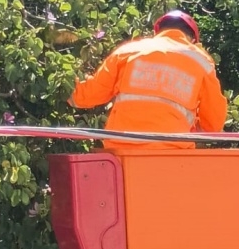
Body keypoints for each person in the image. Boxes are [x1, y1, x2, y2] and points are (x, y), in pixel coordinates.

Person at [69, 10, 228, 149]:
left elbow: (90, 93)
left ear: (158, 32)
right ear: (193, 39)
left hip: (122, 145)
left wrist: (63, 86)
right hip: (173, 148)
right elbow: (213, 122)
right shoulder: (201, 60)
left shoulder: (129, 50)